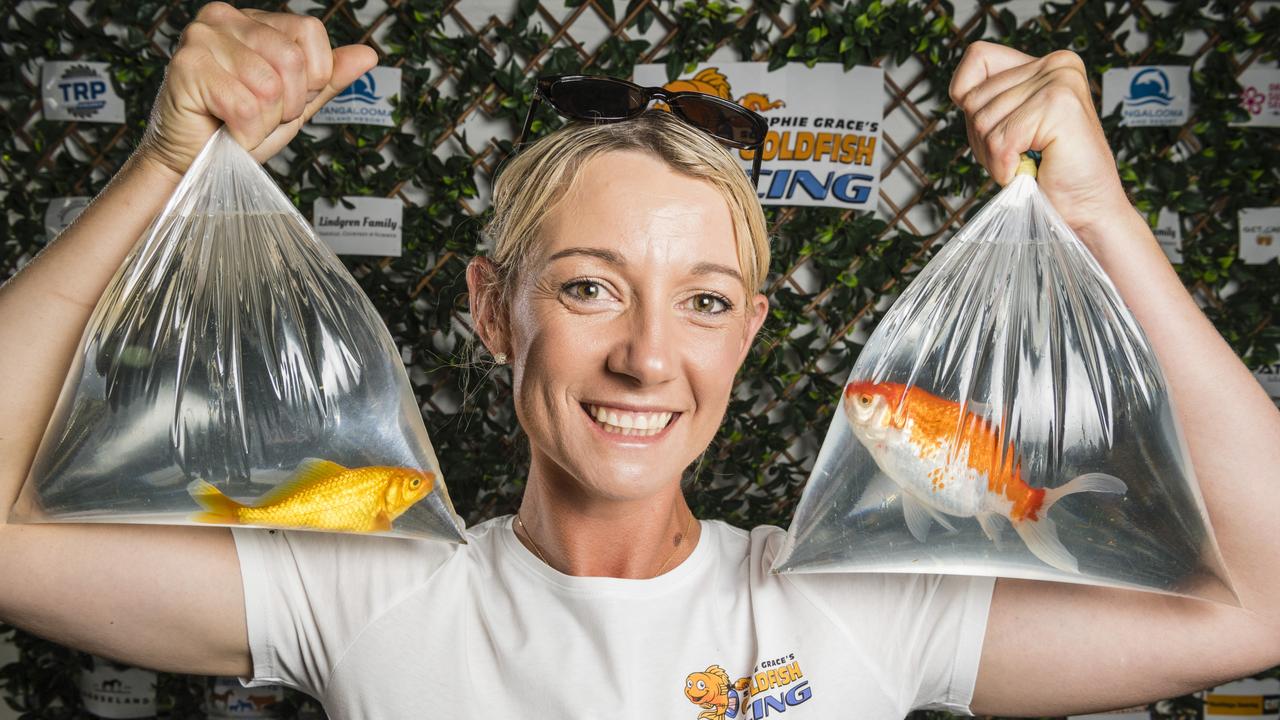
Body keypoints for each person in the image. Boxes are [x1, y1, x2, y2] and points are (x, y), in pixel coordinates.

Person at [0, 3, 1277, 718]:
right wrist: (164, 171)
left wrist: (1100, 219)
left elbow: (1258, 603)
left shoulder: (854, 606)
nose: (647, 356)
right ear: (493, 311)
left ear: (750, 335)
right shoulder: (370, 596)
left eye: (705, 300)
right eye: (589, 287)